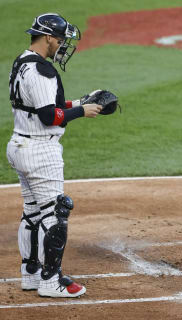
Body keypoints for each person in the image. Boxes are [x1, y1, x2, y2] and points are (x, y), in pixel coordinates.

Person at [6, 13, 103, 298]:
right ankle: (51, 281)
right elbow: (51, 116)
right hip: (40, 150)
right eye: (61, 39)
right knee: (55, 214)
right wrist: (81, 112)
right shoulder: (43, 71)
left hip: (20, 144)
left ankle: (31, 273)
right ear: (48, 37)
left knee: (33, 212)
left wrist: (80, 102)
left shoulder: (22, 62)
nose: (63, 45)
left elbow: (42, 106)